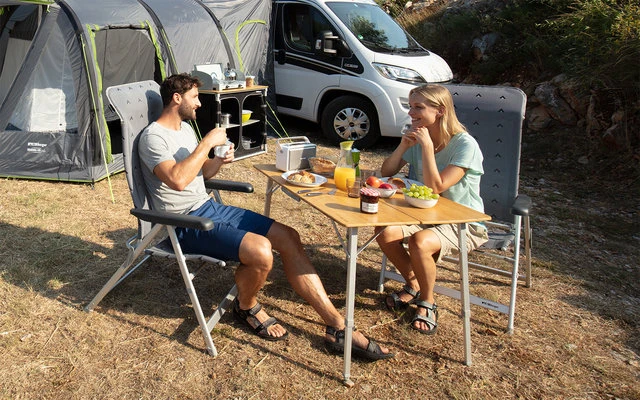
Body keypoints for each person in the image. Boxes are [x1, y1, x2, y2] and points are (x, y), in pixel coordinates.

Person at [138, 73, 393, 360]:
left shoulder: (185, 129)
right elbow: (177, 180)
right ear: (176, 98)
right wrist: (206, 143)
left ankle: (337, 325)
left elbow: (201, 174)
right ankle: (246, 306)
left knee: (288, 236)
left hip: (208, 208)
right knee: (261, 252)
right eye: (195, 97)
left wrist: (217, 160)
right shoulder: (153, 137)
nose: (199, 103)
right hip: (183, 224)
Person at [375, 84, 488, 335]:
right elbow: (386, 171)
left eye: (418, 107)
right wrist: (403, 146)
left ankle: (428, 301)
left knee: (420, 242)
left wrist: (426, 148)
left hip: (462, 222)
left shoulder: (465, 145)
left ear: (440, 110)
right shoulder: (419, 137)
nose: (411, 113)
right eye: (410, 106)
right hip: (423, 214)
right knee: (384, 231)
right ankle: (414, 283)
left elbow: (436, 187)